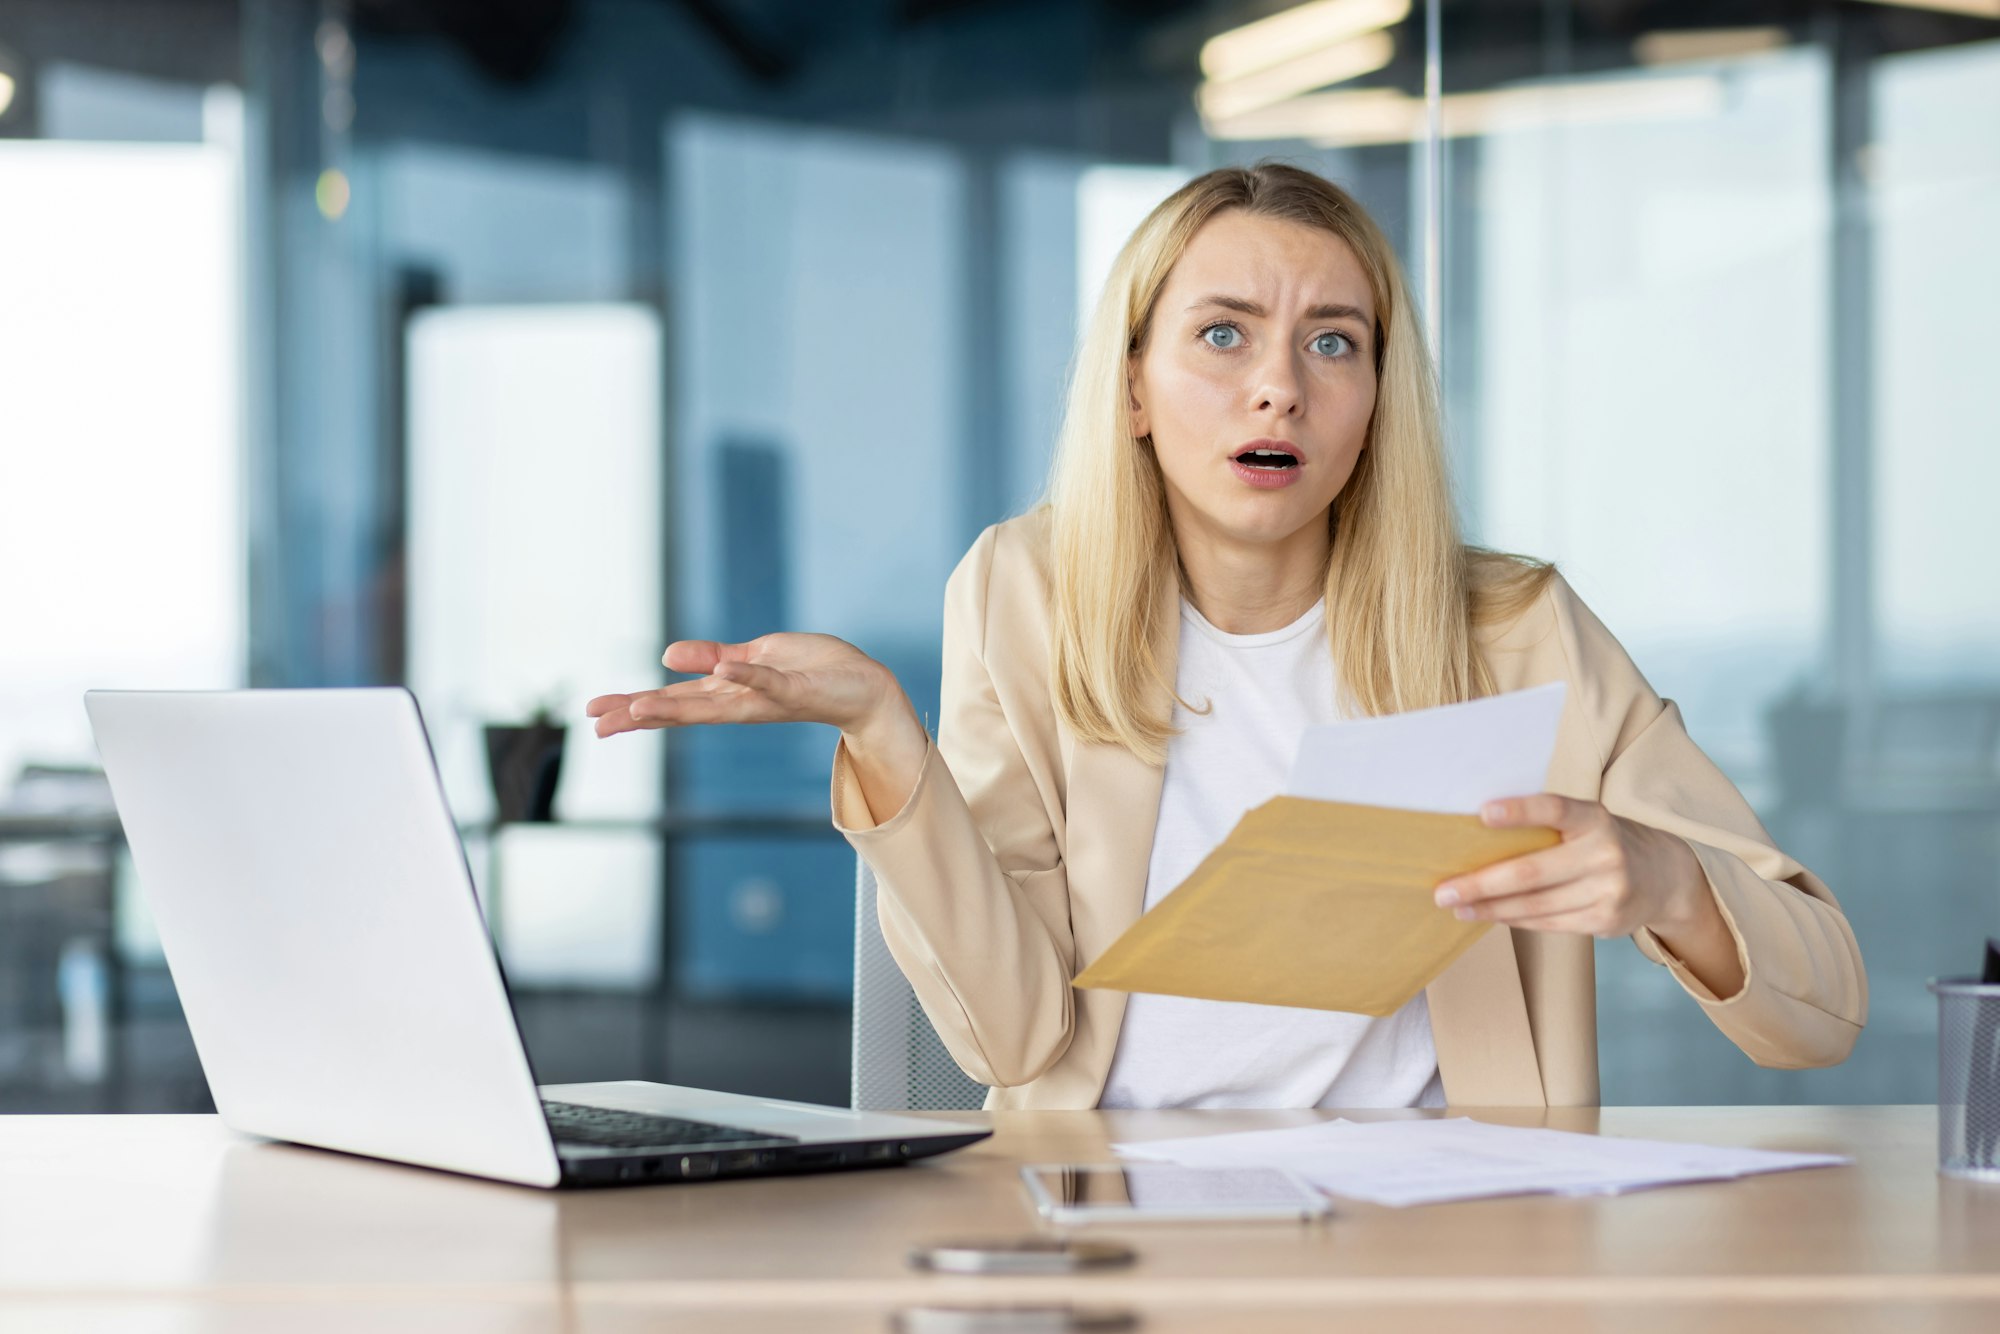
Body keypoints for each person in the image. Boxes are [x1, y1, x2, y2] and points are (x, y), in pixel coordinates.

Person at [588, 162, 1866, 1111]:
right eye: (1221, 334)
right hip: (1116, 1210)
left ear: (1374, 398)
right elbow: (1014, 1043)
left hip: (1445, 1227)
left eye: (1332, 342)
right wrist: (882, 735)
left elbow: (1824, 1006)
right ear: (1133, 386)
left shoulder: (1515, 629)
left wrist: (1667, 882)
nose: (1279, 386)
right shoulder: (1021, 592)